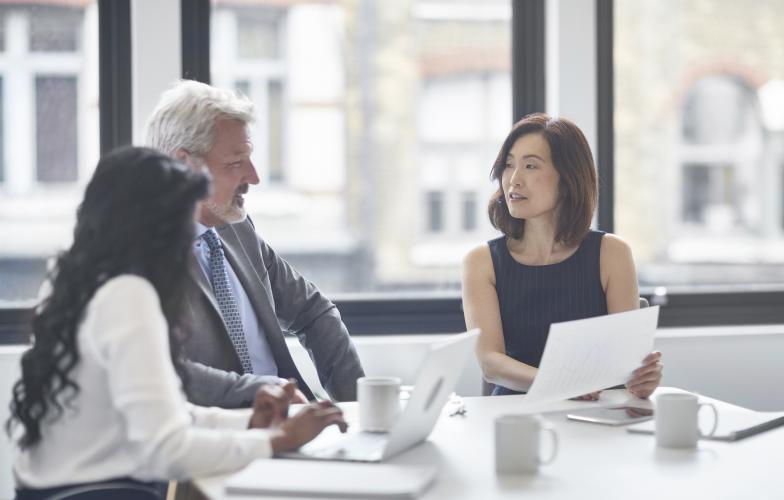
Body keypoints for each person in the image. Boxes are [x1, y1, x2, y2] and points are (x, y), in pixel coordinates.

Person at [7, 147, 347, 499]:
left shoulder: (77, 281)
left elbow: (161, 414)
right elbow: (166, 449)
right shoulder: (128, 295)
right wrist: (277, 440)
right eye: (184, 227)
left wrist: (249, 422)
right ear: (156, 232)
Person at [146, 80, 364, 405]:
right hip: (224, 438)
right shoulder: (143, 257)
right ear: (184, 165)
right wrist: (260, 394)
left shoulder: (236, 229)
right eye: (235, 164)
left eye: (248, 159)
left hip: (292, 423)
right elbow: (167, 373)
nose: (254, 177)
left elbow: (312, 311)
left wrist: (362, 405)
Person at [462, 113, 662, 399]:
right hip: (516, 417)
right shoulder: (481, 262)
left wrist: (642, 377)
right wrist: (563, 383)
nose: (513, 180)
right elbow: (490, 364)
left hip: (596, 416)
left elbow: (626, 368)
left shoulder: (612, 254)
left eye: (530, 166)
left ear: (567, 180)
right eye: (508, 165)